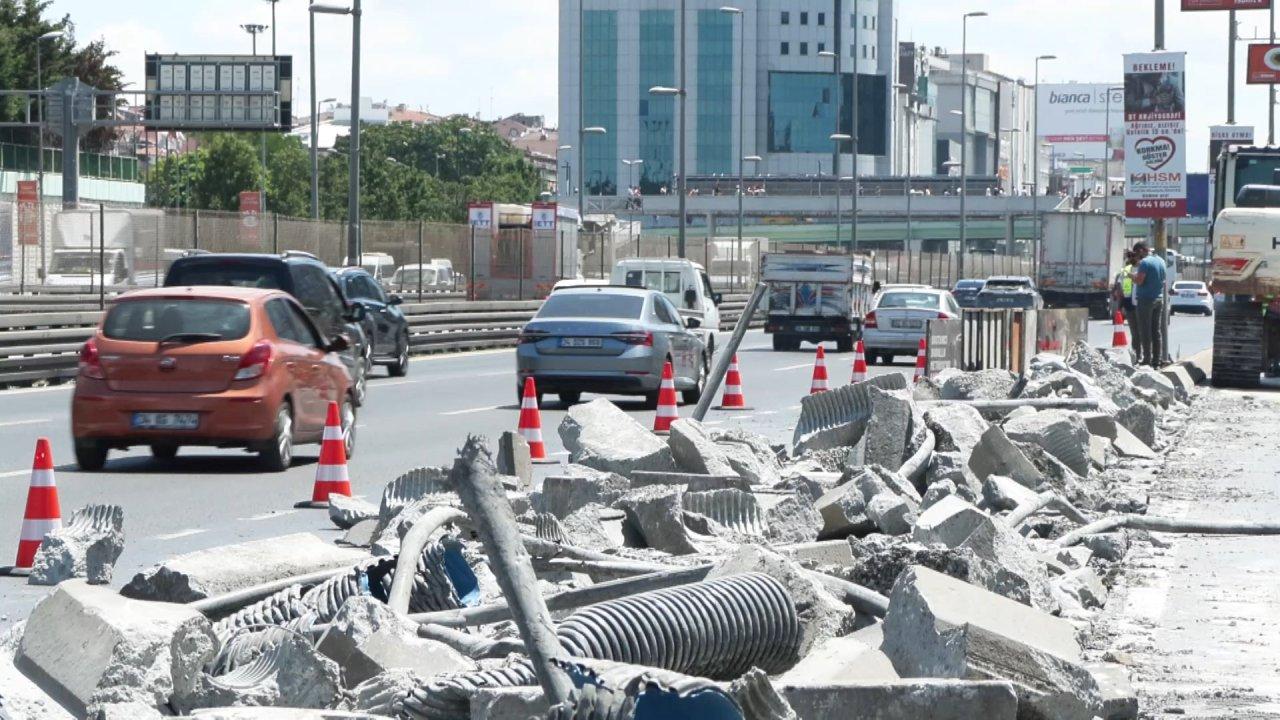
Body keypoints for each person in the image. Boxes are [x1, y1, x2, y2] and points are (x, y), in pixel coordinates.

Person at [1130, 242, 1167, 366]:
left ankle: (1147, 360)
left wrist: (1132, 277)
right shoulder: (1161, 261)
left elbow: (1140, 281)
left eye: (1136, 253)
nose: (1136, 257)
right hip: (1158, 299)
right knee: (1156, 331)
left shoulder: (1145, 263)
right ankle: (1156, 360)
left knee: (1145, 330)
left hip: (1146, 300)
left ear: (1141, 251)